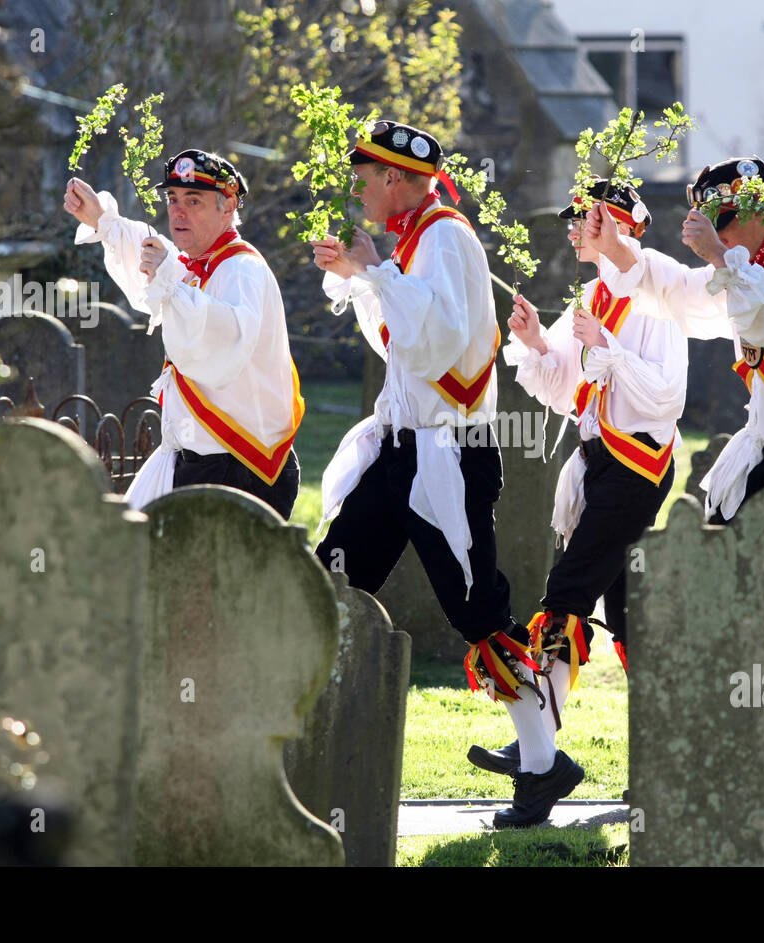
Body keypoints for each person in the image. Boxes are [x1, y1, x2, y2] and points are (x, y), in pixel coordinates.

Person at [309, 119, 583, 828]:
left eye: (367, 177)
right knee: (329, 578)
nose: (359, 188)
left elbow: (437, 344)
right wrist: (364, 279)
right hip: (402, 450)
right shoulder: (421, 240)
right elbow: (402, 340)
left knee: (479, 614)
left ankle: (543, 763)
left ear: (397, 179)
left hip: (446, 455)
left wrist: (376, 271)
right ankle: (301, 749)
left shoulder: (446, 236)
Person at [466, 181, 687, 778]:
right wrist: (538, 339)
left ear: (613, 227)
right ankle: (671, 740)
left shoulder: (652, 297)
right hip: (597, 464)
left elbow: (666, 396)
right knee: (622, 610)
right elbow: (566, 387)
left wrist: (607, 348)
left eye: (583, 220)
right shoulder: (591, 294)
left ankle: (538, 749)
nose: (572, 229)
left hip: (637, 465)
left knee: (566, 592)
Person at [584, 156, 764, 524]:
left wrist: (720, 257)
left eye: (724, 222)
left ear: (761, 212)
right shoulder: (750, 272)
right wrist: (615, 248)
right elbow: (682, 292)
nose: (720, 236)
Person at [63, 149, 303, 518]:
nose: (177, 211)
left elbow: (222, 343)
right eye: (172, 198)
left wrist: (169, 282)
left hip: (240, 466)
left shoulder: (241, 269)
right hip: (201, 461)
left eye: (194, 200)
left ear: (229, 206)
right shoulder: (200, 265)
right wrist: (101, 220)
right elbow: (161, 262)